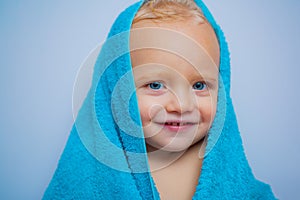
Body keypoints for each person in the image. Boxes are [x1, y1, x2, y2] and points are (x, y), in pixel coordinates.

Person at [43, 0, 276, 199]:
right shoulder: (83, 183)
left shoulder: (241, 188)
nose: (182, 105)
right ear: (116, 92)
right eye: (155, 85)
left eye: (199, 85)